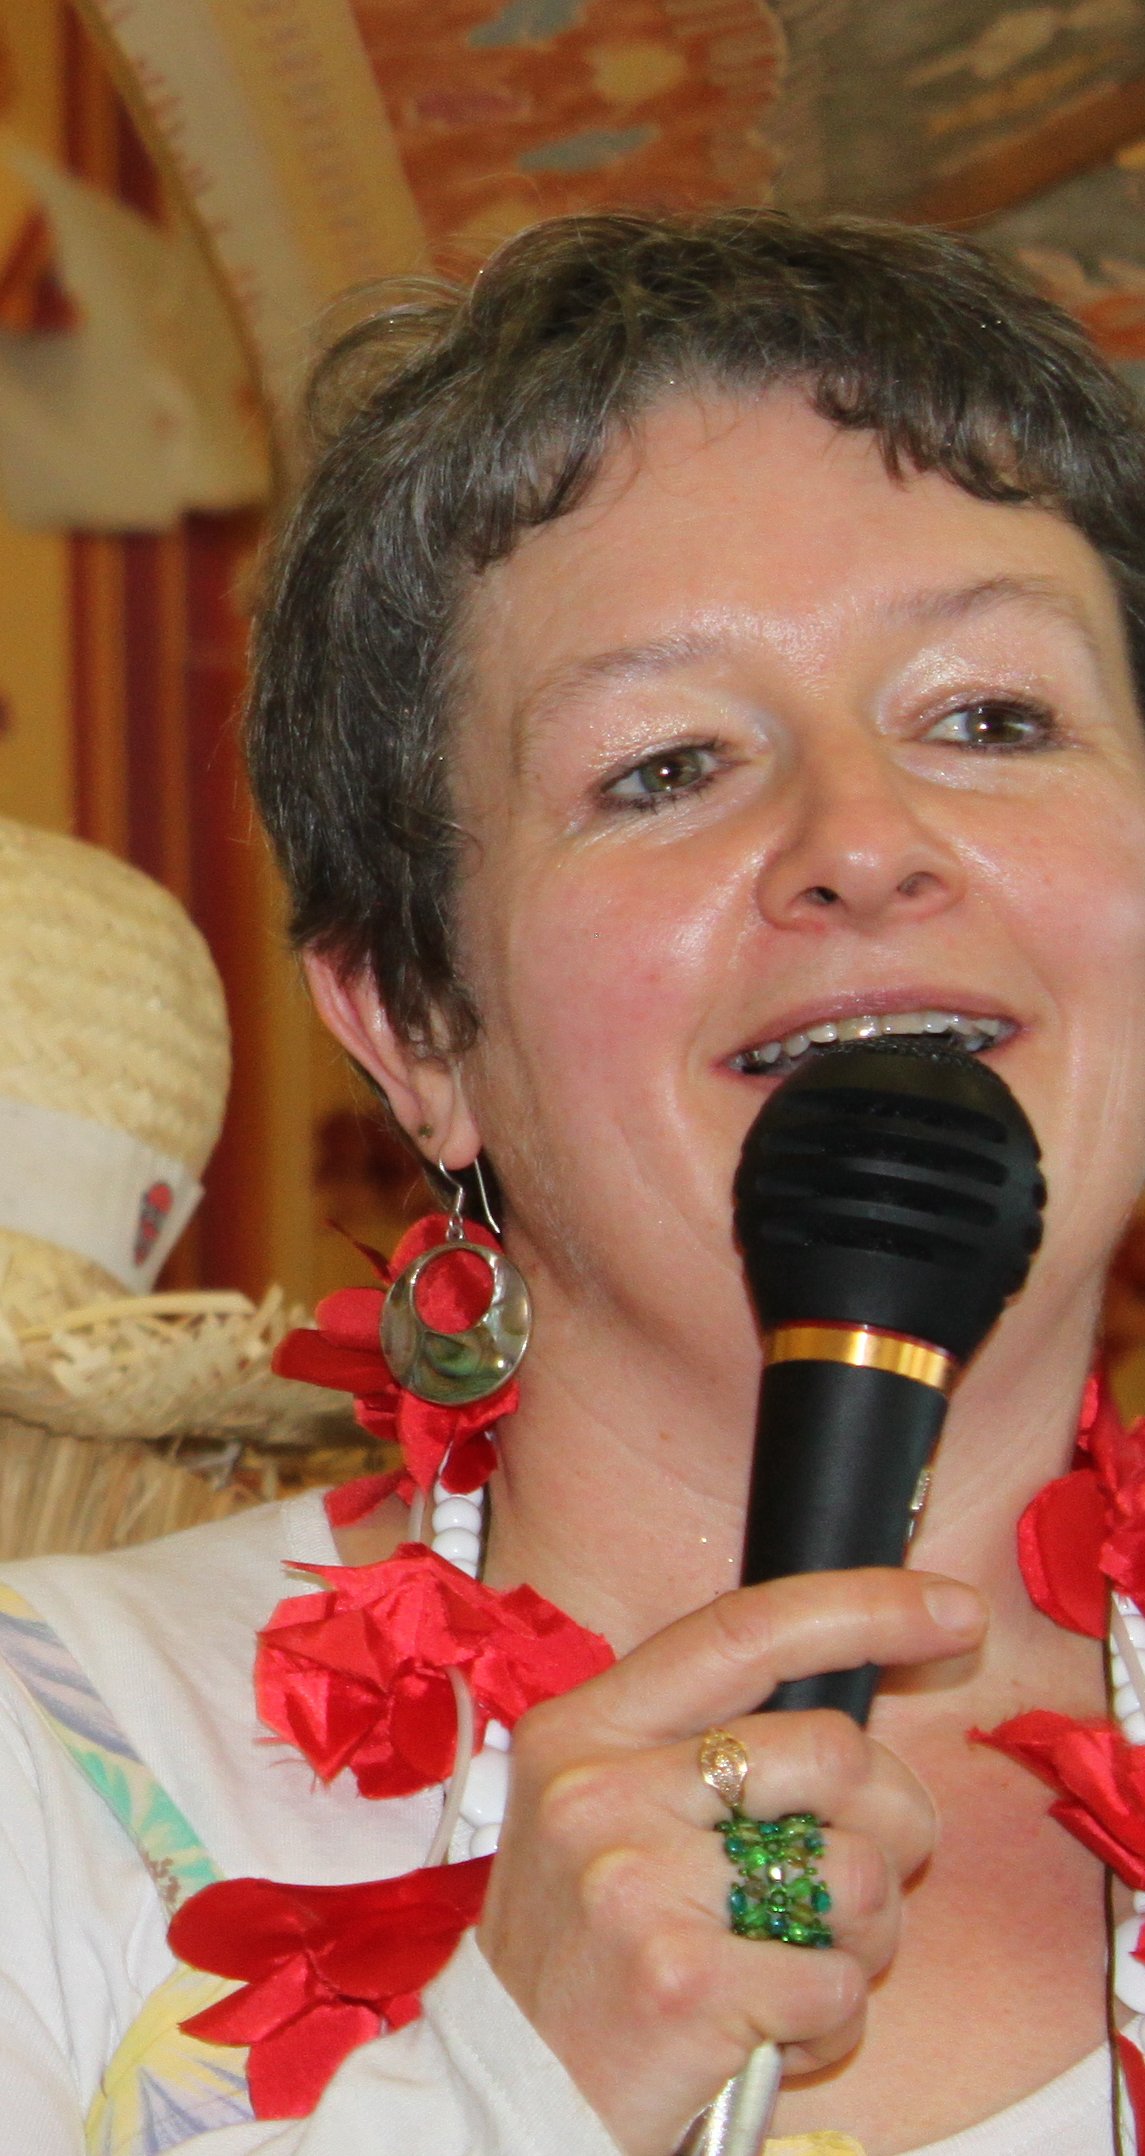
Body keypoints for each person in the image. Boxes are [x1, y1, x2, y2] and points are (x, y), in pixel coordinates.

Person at [0, 209, 1142, 2156]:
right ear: (415, 1026)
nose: (864, 837)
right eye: (666, 764)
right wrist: (500, 2093)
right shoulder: (53, 1763)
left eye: (989, 716)